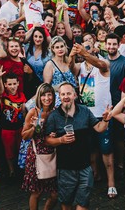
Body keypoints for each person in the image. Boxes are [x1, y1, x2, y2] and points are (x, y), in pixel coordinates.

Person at [45, 82, 109, 210]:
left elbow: (99, 128)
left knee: (83, 203)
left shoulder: (84, 111)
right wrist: (61, 140)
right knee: (66, 203)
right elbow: (47, 140)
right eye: (63, 94)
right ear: (59, 96)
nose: (66, 96)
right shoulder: (54, 116)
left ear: (74, 95)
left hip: (85, 167)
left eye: (68, 93)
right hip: (65, 169)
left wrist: (106, 120)